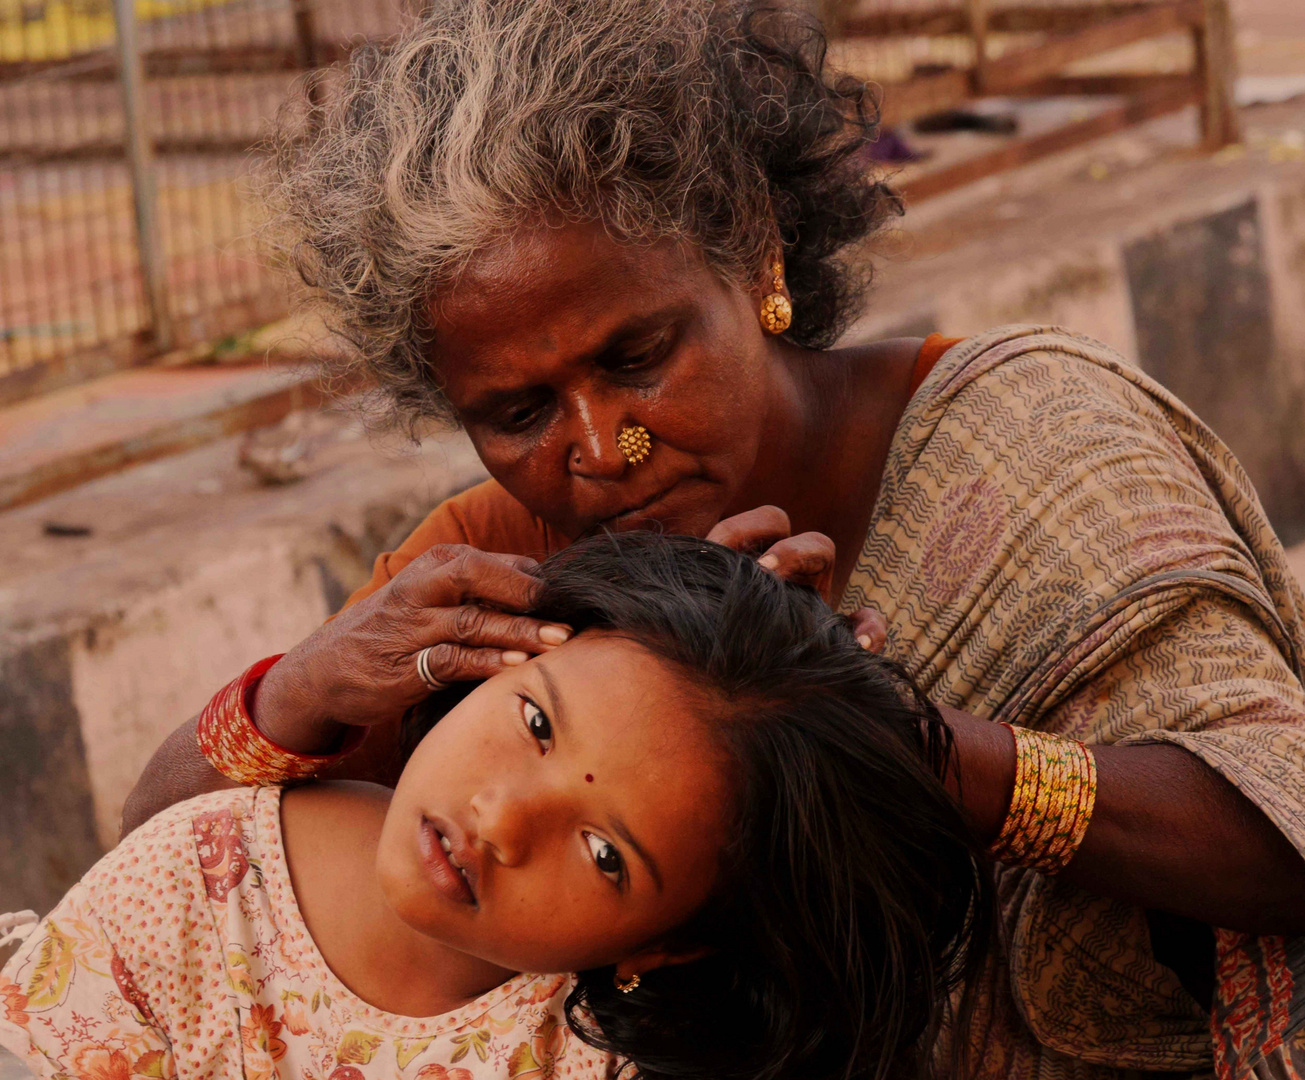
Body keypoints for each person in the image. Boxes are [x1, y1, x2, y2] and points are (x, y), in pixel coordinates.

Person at [118, 1, 1305, 1077]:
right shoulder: (501, 567)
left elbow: (1279, 837)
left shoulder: (1035, 440)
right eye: (517, 414)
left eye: (637, 359)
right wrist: (303, 692)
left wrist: (912, 749)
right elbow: (162, 867)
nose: (598, 449)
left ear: (751, 251)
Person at [0, 535, 990, 1080]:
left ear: (669, 947)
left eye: (607, 857)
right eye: (534, 721)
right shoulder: (202, 877)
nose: (503, 820)